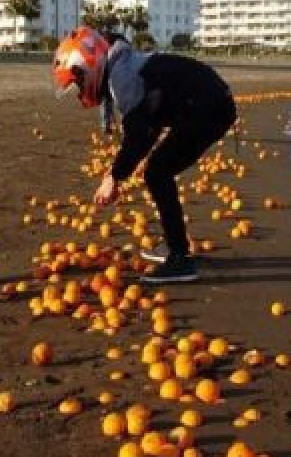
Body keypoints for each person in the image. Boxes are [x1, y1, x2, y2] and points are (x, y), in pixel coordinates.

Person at [52, 28, 237, 283]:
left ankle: (180, 258)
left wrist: (114, 177)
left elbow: (140, 134)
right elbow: (148, 127)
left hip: (210, 109)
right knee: (158, 170)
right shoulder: (122, 67)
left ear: (90, 65)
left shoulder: (122, 77)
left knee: (157, 172)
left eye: (79, 81)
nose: (80, 88)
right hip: (208, 105)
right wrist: (119, 171)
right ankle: (175, 246)